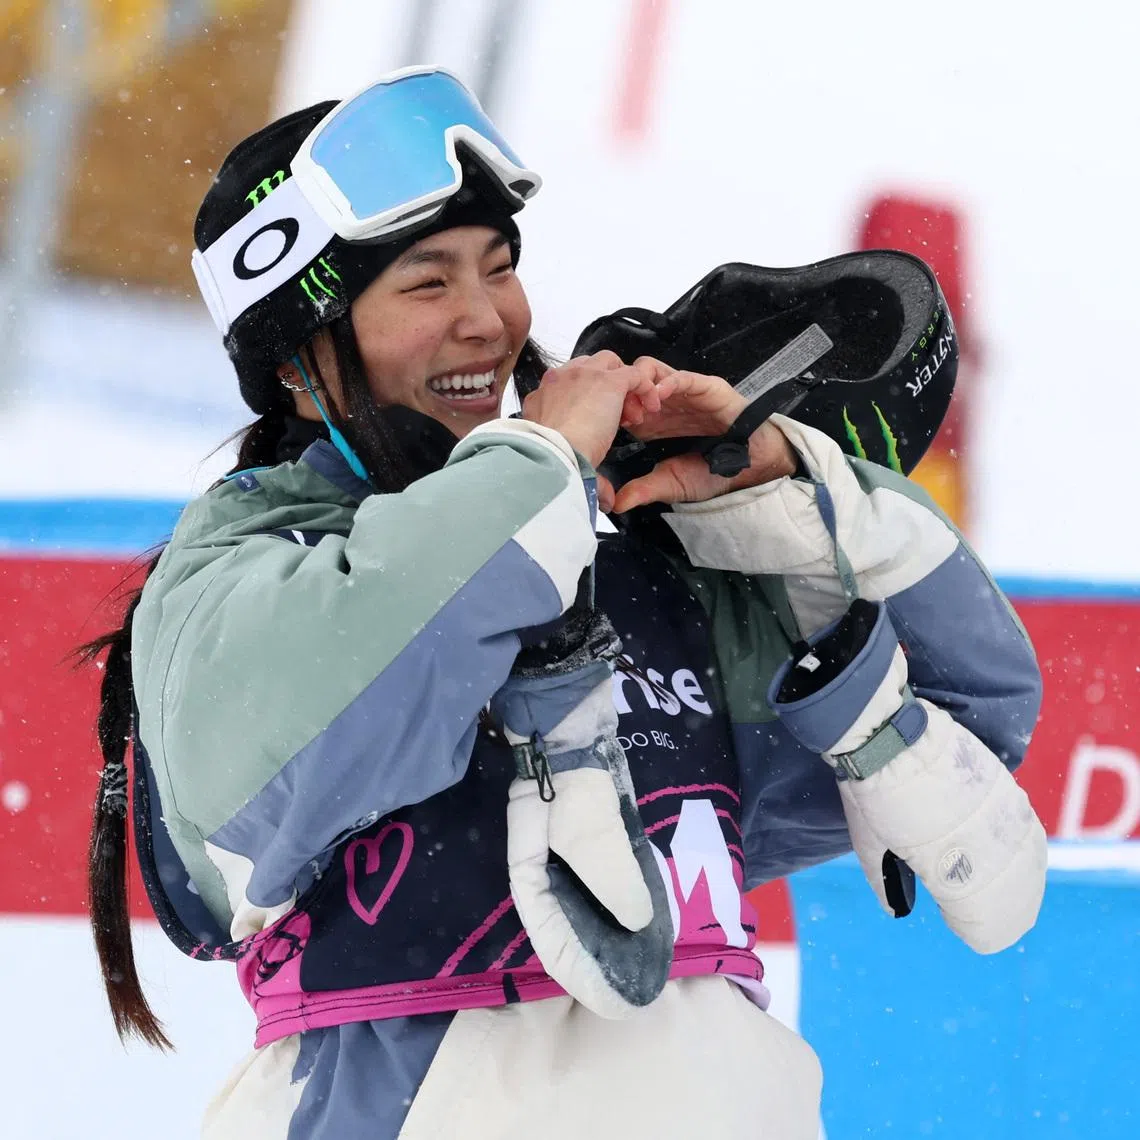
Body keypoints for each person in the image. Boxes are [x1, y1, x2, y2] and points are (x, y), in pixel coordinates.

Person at [84, 67, 1047, 1139]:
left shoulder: (633, 561)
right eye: (426, 283)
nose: (486, 319)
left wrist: (777, 493)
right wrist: (537, 466)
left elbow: (974, 721)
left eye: (499, 269)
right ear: (304, 356)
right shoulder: (242, 566)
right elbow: (348, 692)